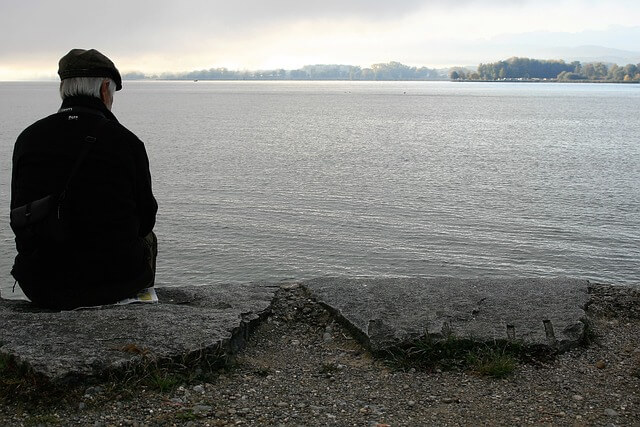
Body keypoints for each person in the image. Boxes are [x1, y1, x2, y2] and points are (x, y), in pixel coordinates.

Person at [10, 49, 158, 310]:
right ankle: (137, 312)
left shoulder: (28, 138)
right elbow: (147, 218)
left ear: (63, 90)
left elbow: (18, 212)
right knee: (149, 238)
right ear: (104, 89)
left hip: (40, 285)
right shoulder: (126, 142)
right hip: (114, 283)